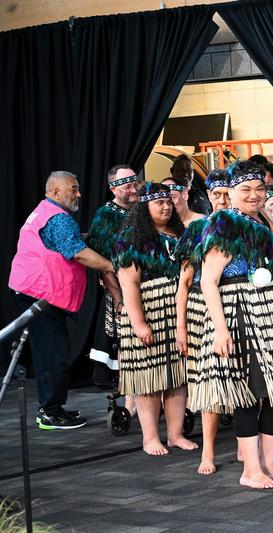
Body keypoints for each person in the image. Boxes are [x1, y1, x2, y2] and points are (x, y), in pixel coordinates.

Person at [199, 160, 273, 489]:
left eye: (259, 189)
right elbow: (208, 281)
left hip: (271, 311)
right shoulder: (224, 223)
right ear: (231, 192)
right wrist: (221, 330)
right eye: (245, 189)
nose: (253, 195)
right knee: (249, 393)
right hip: (240, 311)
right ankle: (251, 469)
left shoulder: (263, 219)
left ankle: (269, 464)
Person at [9, 171, 115, 429]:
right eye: (73, 189)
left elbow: (63, 244)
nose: (79, 194)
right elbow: (78, 254)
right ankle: (50, 412)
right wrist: (113, 266)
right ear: (56, 192)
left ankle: (51, 407)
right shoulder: (57, 218)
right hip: (41, 295)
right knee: (52, 354)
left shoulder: (46, 211)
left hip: (33, 291)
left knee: (49, 352)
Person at [114, 182, 197, 455]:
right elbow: (129, 284)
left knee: (177, 376)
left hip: (177, 312)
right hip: (148, 311)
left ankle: (175, 434)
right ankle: (150, 437)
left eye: (168, 202)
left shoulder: (180, 233)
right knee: (149, 378)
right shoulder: (133, 239)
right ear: (144, 207)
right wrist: (139, 323)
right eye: (158, 203)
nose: (166, 207)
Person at [175, 169, 230, 474]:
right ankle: (208, 450)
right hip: (202, 308)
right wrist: (181, 327)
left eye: (227, 194)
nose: (222, 200)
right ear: (208, 196)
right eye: (217, 195)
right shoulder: (198, 229)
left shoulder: (248, 227)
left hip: (240, 303)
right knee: (209, 380)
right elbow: (184, 283)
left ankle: (248, 445)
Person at [86, 165, 142, 390]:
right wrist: (118, 297)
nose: (133, 189)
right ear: (113, 189)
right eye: (127, 185)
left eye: (135, 183)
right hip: (118, 285)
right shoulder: (106, 215)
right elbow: (102, 263)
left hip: (143, 284)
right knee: (115, 330)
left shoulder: (142, 209)